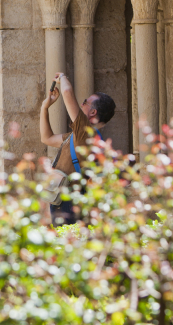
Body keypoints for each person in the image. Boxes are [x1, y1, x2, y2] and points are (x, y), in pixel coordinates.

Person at [38, 72, 116, 225]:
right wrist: (44, 108)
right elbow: (46, 138)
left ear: (93, 112)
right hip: (62, 201)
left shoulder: (86, 133)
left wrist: (62, 77)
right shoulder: (78, 135)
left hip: (69, 204)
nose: (81, 104)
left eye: (86, 102)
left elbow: (67, 92)